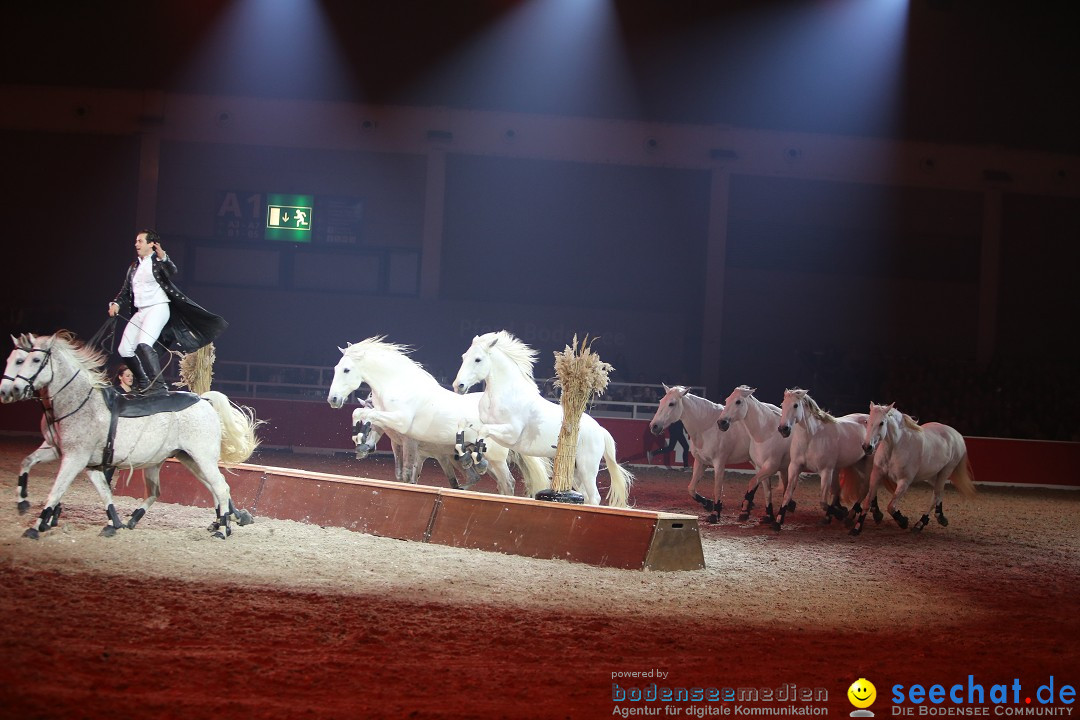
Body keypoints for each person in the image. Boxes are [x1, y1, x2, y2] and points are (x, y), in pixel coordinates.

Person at [108, 229, 227, 394]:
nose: (136, 244)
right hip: (141, 311)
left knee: (144, 344)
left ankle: (158, 385)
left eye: (140, 241)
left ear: (151, 244)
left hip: (158, 307)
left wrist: (164, 257)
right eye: (136, 241)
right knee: (124, 349)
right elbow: (125, 292)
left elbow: (172, 271)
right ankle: (143, 382)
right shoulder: (134, 267)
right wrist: (116, 304)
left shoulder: (157, 261)